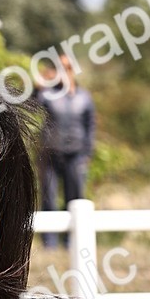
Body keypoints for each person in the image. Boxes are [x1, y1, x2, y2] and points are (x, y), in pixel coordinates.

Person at [35, 54, 96, 248]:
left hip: (76, 155)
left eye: (67, 67)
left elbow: (90, 126)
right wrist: (37, 86)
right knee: (49, 197)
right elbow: (32, 106)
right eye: (60, 67)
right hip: (50, 154)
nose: (64, 71)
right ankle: (50, 243)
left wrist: (87, 153)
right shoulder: (47, 94)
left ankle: (72, 242)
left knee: (75, 197)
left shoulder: (84, 97)